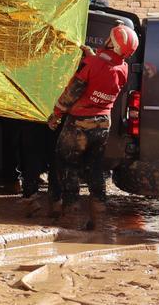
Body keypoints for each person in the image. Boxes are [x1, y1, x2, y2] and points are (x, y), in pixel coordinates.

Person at [46, 23, 139, 230]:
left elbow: (72, 93)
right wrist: (92, 54)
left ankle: (70, 213)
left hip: (79, 123)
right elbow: (108, 65)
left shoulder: (92, 64)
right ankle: (100, 213)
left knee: (67, 165)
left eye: (110, 38)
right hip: (103, 124)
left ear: (112, 44)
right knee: (94, 166)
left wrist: (56, 114)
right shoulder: (123, 68)